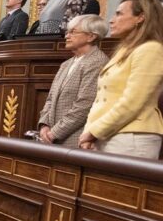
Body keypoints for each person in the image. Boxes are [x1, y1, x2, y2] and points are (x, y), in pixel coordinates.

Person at [79, 0, 163, 158]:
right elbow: (101, 99)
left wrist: (93, 131)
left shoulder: (151, 50)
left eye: (119, 14)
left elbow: (132, 102)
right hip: (106, 133)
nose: (111, 20)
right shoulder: (124, 50)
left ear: (141, 18)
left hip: (132, 138)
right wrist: (89, 131)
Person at [36, 14, 109, 146]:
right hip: (52, 138)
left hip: (74, 139)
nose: (66, 36)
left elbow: (84, 106)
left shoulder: (97, 62)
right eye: (67, 32)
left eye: (73, 32)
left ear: (91, 36)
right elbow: (50, 99)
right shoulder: (66, 64)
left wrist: (54, 133)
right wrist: (44, 125)